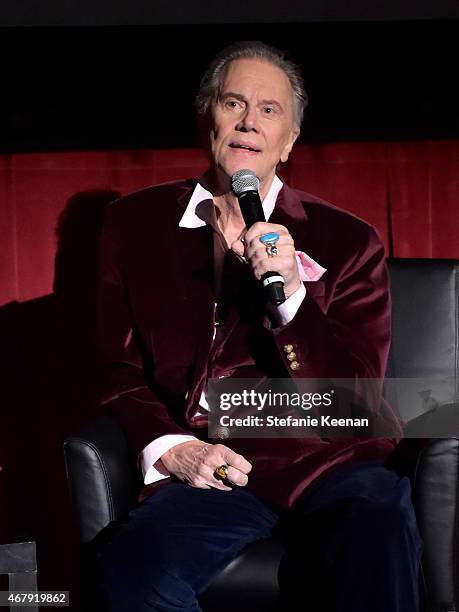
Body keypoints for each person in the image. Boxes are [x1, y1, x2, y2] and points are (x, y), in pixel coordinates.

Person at [96, 41, 423, 611]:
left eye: (269, 110)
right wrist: (172, 448)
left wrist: (293, 297)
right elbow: (118, 368)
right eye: (233, 103)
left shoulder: (348, 240)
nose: (249, 122)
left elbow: (360, 398)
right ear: (208, 117)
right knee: (131, 571)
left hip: (331, 462)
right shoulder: (133, 227)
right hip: (214, 467)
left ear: (291, 140)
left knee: (380, 531)